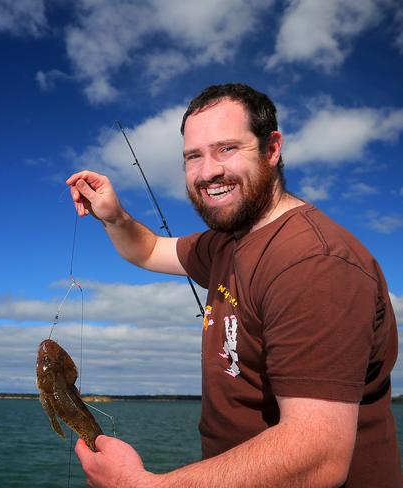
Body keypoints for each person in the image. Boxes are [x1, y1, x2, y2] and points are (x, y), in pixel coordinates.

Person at [66, 83, 401, 487]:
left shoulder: (314, 264)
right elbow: (150, 249)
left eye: (227, 148)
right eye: (193, 156)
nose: (208, 172)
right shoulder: (226, 244)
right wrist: (115, 217)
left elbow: (317, 456)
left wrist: (139, 485)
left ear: (272, 148)